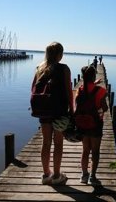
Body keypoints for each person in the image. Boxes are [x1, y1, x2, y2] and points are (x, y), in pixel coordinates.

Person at [31, 42, 74, 185]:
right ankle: (56, 176)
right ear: (59, 55)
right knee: (58, 143)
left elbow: (33, 89)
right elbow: (69, 92)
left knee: (46, 143)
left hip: (43, 110)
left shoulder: (39, 68)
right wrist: (72, 111)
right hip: (59, 111)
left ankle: (45, 175)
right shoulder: (64, 69)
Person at [75, 65, 108, 185]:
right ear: (94, 76)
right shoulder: (101, 91)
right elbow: (105, 108)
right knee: (95, 151)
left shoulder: (80, 89)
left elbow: (77, 106)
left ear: (83, 77)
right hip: (96, 124)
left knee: (85, 150)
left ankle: (84, 175)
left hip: (82, 124)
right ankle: (92, 177)